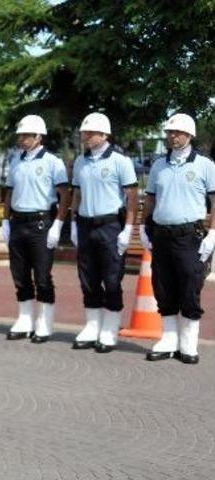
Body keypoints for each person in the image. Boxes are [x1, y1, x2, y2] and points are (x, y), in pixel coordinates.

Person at [140, 113, 215, 364]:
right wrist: (143, 226)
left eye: (177, 132)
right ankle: (169, 338)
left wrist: (213, 233)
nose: (172, 136)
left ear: (189, 135)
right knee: (163, 286)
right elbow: (150, 198)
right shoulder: (159, 165)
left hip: (189, 236)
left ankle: (189, 342)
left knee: (190, 286)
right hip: (162, 235)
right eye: (169, 132)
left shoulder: (205, 165)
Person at [69, 112, 138, 353]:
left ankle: (110, 328)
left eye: (90, 133)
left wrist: (128, 228)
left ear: (104, 134)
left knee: (111, 277)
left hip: (111, 225)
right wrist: (73, 223)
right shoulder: (80, 161)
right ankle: (92, 325)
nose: (85, 137)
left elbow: (132, 197)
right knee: (87, 277)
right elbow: (77, 194)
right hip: (86, 224)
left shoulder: (121, 161)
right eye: (84, 133)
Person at [2, 115, 70, 343]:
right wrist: (5, 220)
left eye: (26, 135)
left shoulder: (53, 162)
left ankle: (45, 321)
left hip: (41, 223)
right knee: (19, 275)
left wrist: (58, 225)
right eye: (20, 135)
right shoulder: (15, 160)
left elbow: (65, 195)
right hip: (18, 222)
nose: (21, 139)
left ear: (38, 136)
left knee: (42, 275)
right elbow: (9, 192)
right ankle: (25, 319)